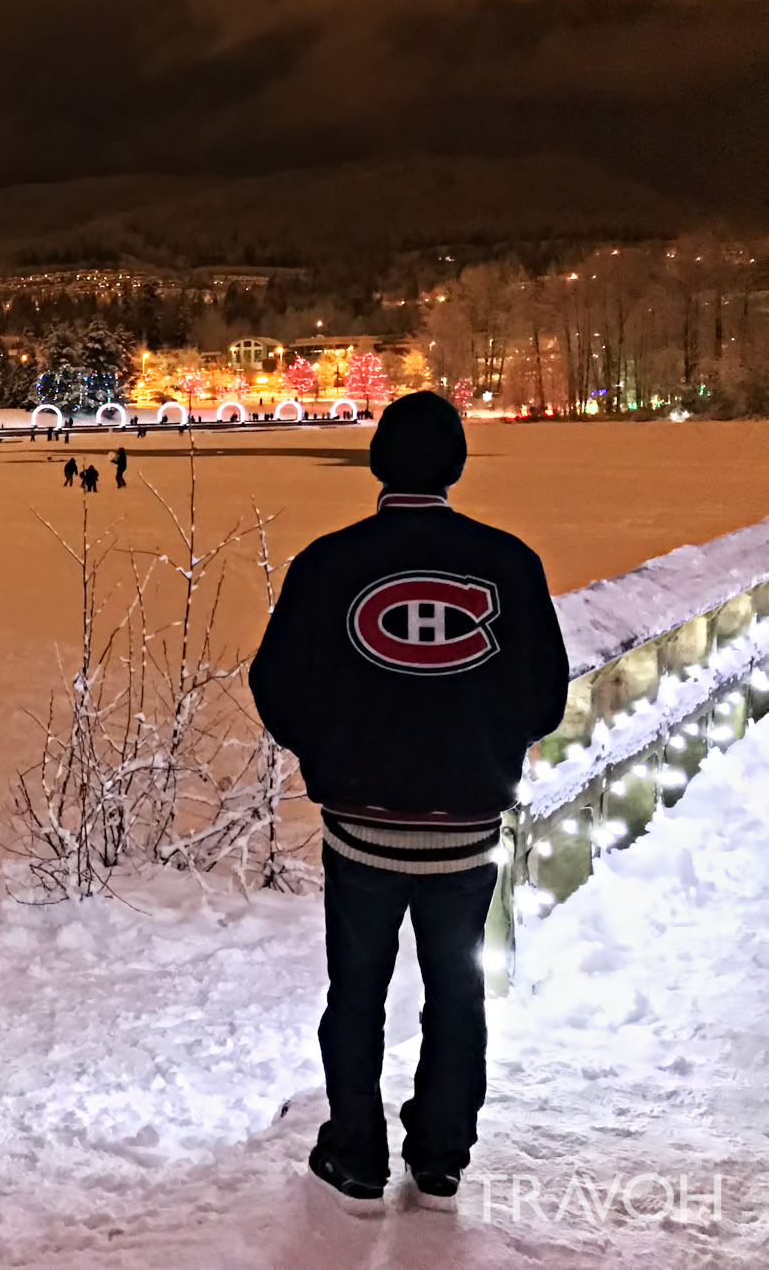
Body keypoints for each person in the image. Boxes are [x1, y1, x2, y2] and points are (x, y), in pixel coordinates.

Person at [250, 392, 567, 1215]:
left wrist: (329, 758)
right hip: (468, 828)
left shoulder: (327, 564)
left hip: (360, 825)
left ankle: (356, 1157)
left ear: (378, 463)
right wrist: (486, 755)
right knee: (457, 992)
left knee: (355, 991)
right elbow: (545, 696)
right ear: (456, 466)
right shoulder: (510, 563)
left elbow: (274, 682)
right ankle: (441, 1160)